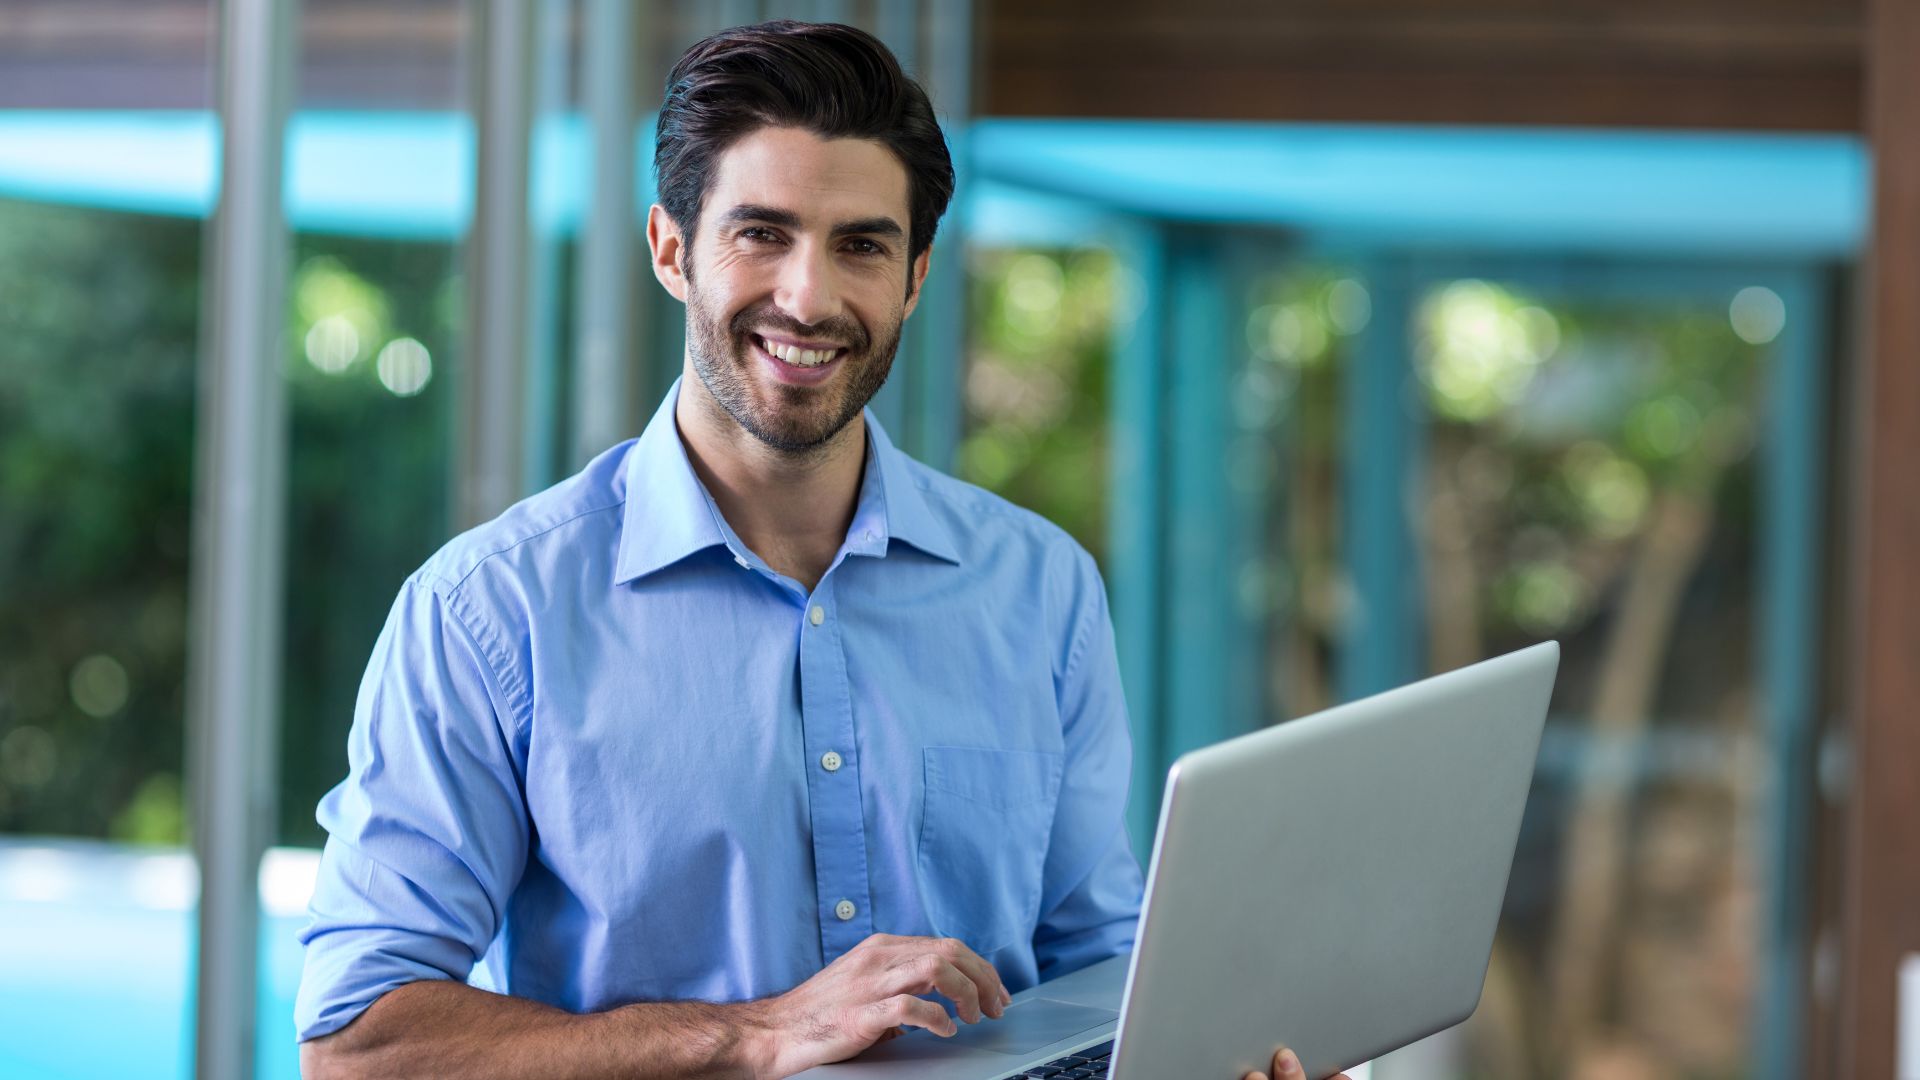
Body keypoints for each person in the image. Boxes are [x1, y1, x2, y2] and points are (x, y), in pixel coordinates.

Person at [296, 20, 1345, 1080]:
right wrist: (756, 1035)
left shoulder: (1041, 589)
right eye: (762, 233)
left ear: (916, 275)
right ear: (672, 249)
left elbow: (1099, 976)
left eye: (861, 245)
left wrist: (1214, 1052)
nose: (810, 297)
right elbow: (357, 1046)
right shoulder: (492, 611)